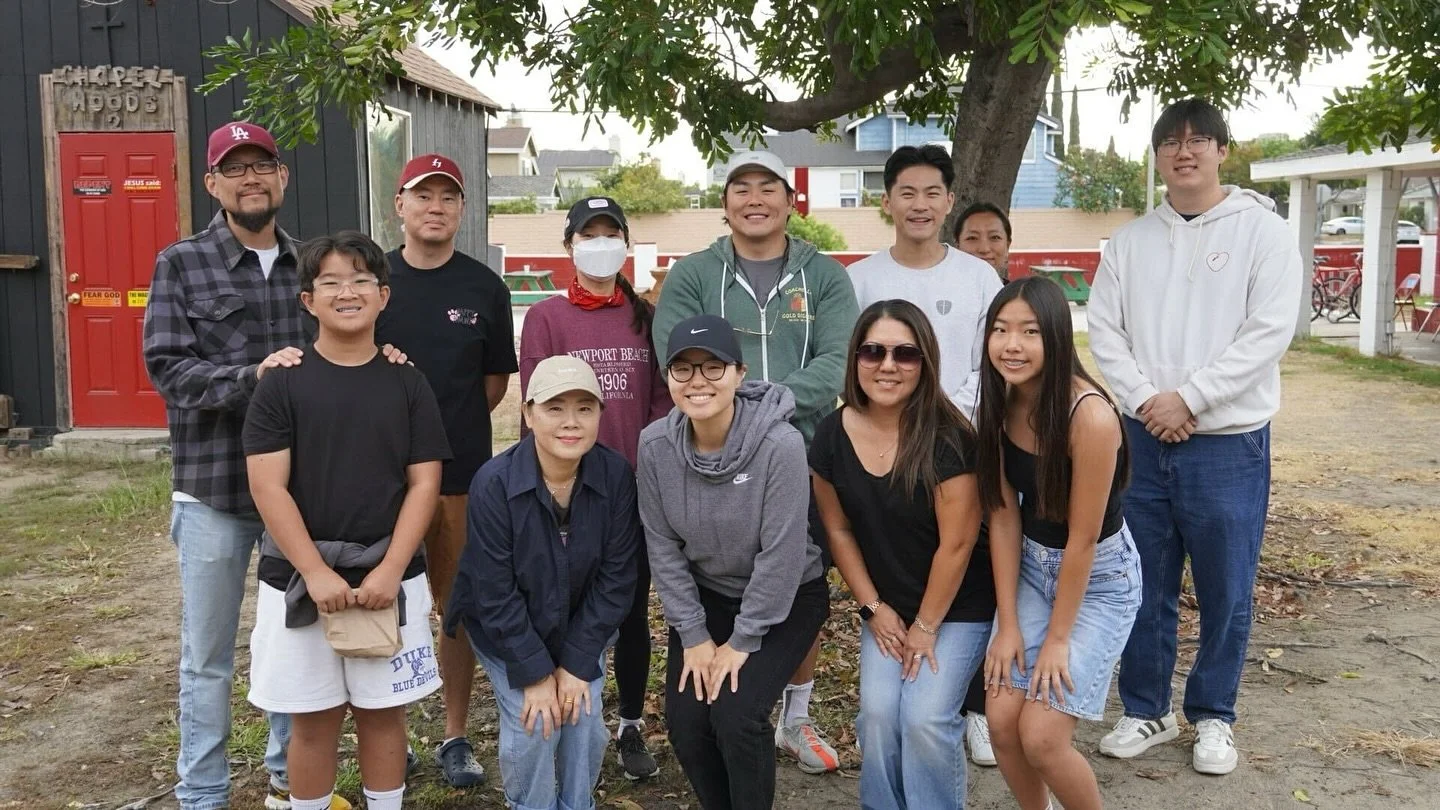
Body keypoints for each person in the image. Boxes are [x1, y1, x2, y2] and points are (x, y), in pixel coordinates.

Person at [144, 122, 403, 810]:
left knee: (296, 650)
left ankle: (289, 779)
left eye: (262, 166)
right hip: (216, 492)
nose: (250, 179)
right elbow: (167, 370)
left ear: (282, 178)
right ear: (212, 184)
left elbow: (343, 343)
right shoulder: (182, 263)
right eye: (235, 169)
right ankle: (202, 791)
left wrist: (386, 360)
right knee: (208, 657)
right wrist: (250, 376)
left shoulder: (312, 264)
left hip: (301, 497)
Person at [1089, 99, 1301, 776]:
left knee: (1225, 586)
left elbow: (1267, 333)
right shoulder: (1129, 241)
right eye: (1172, 142)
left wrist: (1192, 399)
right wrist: (1150, 402)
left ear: (1221, 151)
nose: (1185, 152)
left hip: (1226, 443)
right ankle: (1146, 708)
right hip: (1142, 439)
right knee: (1141, 582)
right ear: (1156, 156)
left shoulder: (1262, 233)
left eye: (1199, 140)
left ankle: (1214, 716)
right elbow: (1105, 330)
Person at [652, 150, 858, 774]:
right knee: (718, 571)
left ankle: (792, 715)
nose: (754, 198)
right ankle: (729, 687)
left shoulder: (824, 275)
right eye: (740, 188)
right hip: (707, 456)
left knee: (797, 578)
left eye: (768, 186)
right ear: (725, 204)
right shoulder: (692, 274)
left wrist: (765, 408)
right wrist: (736, 415)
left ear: (790, 201)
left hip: (808, 450)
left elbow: (839, 356)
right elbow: (675, 351)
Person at [242, 231, 451, 810]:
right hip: (299, 579)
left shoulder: (407, 381)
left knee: (383, 714)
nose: (347, 292)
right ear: (308, 300)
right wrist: (315, 573)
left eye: (360, 280)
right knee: (312, 720)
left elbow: (424, 483)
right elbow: (268, 485)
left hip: (390, 575)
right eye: (330, 282)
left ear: (384, 295)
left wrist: (389, 570)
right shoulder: (281, 381)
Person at [846, 145, 1003, 767]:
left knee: (968, 562)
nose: (919, 204)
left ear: (947, 201)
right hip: (883, 450)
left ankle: (973, 707)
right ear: (886, 201)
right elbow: (853, 370)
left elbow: (989, 363)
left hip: (959, 445)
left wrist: (944, 420)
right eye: (905, 192)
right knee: (901, 561)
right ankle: (903, 668)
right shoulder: (859, 279)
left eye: (931, 192)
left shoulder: (977, 277)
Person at [638, 315, 830, 809]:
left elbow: (783, 554)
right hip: (708, 595)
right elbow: (662, 548)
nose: (697, 381)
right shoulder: (655, 445)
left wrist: (741, 642)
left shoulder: (780, 445)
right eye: (683, 369)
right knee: (686, 722)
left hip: (787, 596)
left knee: (737, 713)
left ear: (740, 373)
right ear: (668, 378)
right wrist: (696, 637)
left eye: (713, 367)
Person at [810, 300, 994, 808]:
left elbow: (958, 545)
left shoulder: (950, 436)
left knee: (925, 720)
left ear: (925, 362)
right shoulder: (831, 434)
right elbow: (838, 528)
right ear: (856, 358)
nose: (887, 365)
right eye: (873, 351)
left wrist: (926, 627)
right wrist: (873, 608)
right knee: (876, 715)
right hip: (888, 606)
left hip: (957, 607)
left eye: (904, 354)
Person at [374, 153, 517, 787]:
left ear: (462, 209)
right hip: (379, 478)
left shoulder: (484, 287)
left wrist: (442, 431)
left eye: (448, 197)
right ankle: (390, 730)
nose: (435, 207)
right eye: (422, 195)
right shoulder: (370, 279)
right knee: (385, 606)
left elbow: (490, 386)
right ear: (398, 205)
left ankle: (455, 735)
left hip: (461, 474)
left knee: (457, 607)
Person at [519, 196, 671, 780]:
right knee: (565, 603)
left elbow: (660, 402)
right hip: (564, 489)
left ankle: (629, 723)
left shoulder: (644, 316)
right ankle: (566, 712)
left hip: (630, 488)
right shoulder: (548, 318)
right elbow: (537, 401)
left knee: (629, 610)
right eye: (590, 233)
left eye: (612, 232)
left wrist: (642, 471)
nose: (601, 242)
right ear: (570, 246)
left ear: (626, 244)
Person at [445, 355, 640, 810]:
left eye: (584, 408)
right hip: (507, 632)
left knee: (584, 719)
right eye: (555, 408)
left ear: (600, 415)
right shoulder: (494, 483)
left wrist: (574, 665)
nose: (570, 422)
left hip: (580, 628)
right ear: (529, 414)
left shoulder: (615, 477)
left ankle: (577, 804)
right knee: (536, 722)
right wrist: (535, 674)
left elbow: (617, 579)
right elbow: (494, 591)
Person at [976, 276, 1140, 810]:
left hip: (1098, 580)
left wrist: (1056, 639)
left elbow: (1084, 538)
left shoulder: (1089, 415)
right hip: (1030, 567)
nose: (1011, 344)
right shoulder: (1000, 400)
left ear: (1056, 337)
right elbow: (1002, 517)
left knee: (1042, 736)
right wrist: (1009, 625)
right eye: (1000, 330)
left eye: (1028, 331)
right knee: (1001, 720)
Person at [955, 201, 1013, 282]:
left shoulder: (1021, 294)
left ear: (1007, 246)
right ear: (957, 248)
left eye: (995, 237)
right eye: (972, 238)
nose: (984, 249)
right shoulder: (940, 293)